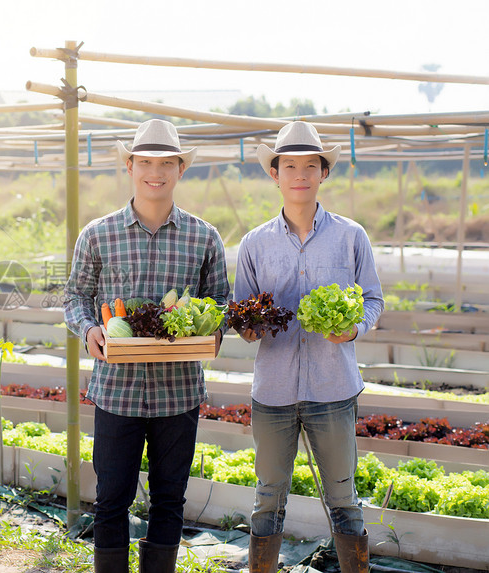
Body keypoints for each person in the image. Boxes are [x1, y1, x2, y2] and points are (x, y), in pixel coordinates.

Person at [64, 119, 230, 573]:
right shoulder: (98, 234)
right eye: (145, 162)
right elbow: (75, 295)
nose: (155, 172)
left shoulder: (204, 237)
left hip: (178, 391)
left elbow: (221, 301)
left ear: (180, 170)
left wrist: (211, 331)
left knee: (169, 498)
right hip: (116, 390)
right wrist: (89, 329)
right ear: (130, 166)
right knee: (111, 499)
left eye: (166, 163)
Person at [232, 121, 384, 573]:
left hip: (333, 390)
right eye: (290, 166)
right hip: (273, 393)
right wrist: (247, 327)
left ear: (323, 174)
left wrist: (353, 329)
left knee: (343, 498)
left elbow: (372, 299)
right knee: (267, 501)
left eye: (310, 166)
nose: (300, 174)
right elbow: (240, 310)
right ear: (275, 174)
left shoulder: (350, 235)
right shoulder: (254, 243)